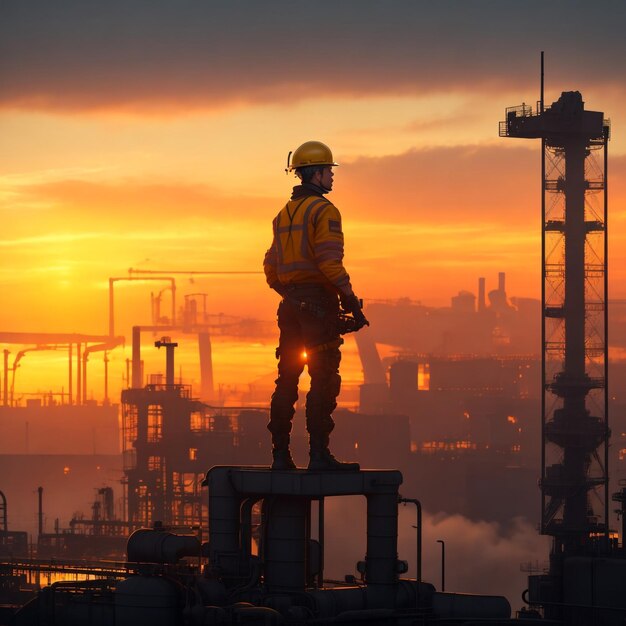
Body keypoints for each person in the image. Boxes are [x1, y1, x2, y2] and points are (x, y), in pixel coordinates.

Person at [263, 140, 369, 471]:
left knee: (287, 379)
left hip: (290, 307)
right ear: (315, 174)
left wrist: (288, 293)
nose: (332, 178)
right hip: (318, 305)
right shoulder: (324, 211)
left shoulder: (283, 215)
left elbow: (269, 265)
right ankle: (319, 456)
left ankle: (281, 456)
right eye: (328, 171)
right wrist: (350, 300)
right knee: (324, 378)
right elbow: (329, 262)